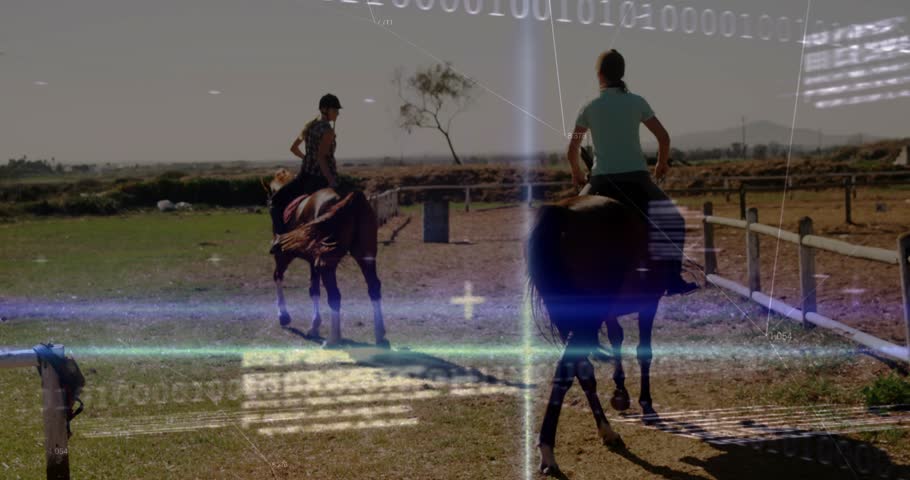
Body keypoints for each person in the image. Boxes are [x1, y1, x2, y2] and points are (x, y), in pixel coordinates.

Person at [567, 49, 698, 296]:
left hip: (600, 181)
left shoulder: (588, 108)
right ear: (621, 73)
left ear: (599, 75)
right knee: (674, 221)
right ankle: (672, 278)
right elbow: (663, 137)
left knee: (570, 223)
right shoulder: (638, 102)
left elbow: (572, 147)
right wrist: (661, 164)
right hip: (637, 180)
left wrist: (576, 173)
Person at [269, 93, 343, 254]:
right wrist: (331, 181)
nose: (337, 113)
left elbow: (293, 148)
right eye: (335, 109)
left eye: (338, 110)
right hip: (322, 179)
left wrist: (306, 158)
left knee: (275, 202)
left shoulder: (310, 126)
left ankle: (279, 238)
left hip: (305, 177)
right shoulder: (328, 130)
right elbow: (322, 158)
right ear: (324, 109)